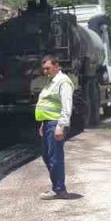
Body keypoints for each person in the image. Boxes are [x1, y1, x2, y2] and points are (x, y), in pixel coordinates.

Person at [36, 55, 74, 200]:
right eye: (44, 69)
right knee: (47, 157)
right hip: (48, 123)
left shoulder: (63, 82)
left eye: (48, 68)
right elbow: (48, 105)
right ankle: (57, 187)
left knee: (55, 157)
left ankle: (59, 189)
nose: (45, 71)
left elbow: (66, 105)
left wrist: (61, 126)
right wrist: (42, 123)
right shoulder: (51, 82)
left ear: (56, 66)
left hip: (55, 123)